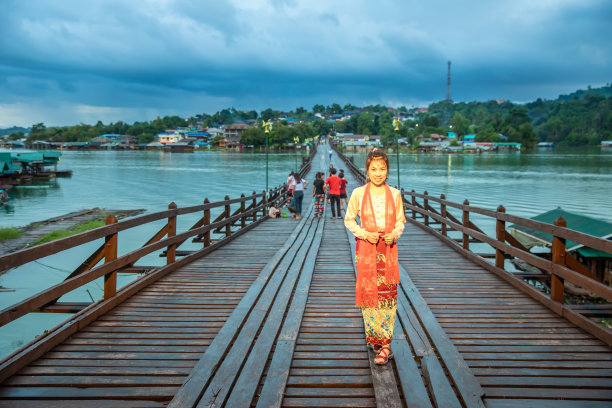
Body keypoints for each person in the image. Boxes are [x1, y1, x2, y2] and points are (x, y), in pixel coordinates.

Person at [344, 149, 406, 365]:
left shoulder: (395, 194)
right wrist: (364, 233)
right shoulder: (358, 194)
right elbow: (349, 220)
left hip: (387, 250)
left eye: (382, 169)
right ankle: (375, 337)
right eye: (373, 169)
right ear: (367, 171)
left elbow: (400, 222)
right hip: (367, 249)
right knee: (370, 295)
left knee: (388, 295)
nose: (378, 173)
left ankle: (386, 344)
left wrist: (394, 234)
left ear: (388, 171)